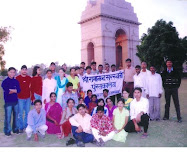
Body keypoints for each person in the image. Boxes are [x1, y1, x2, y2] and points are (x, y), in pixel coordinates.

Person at [1, 67, 21, 136]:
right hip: (8, 102)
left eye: (13, 72)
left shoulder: (16, 81)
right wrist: (14, 90)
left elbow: (18, 90)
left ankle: (15, 129)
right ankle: (7, 131)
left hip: (15, 101)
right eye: (11, 72)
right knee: (8, 117)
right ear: (8, 72)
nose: (12, 73)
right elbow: (7, 92)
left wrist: (11, 90)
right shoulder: (5, 82)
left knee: (16, 117)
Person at [16, 65, 31, 133]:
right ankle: (21, 127)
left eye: (25, 70)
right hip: (20, 98)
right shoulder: (17, 78)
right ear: (21, 70)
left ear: (26, 71)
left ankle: (26, 126)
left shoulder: (29, 78)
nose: (24, 71)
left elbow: (31, 87)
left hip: (27, 98)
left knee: (27, 113)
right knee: (20, 113)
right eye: (23, 69)